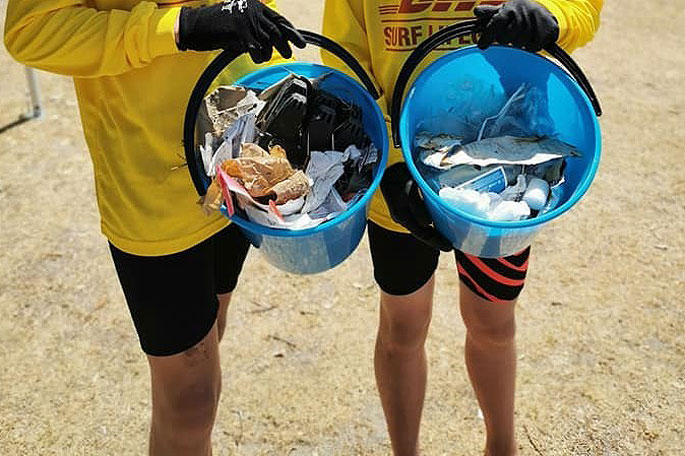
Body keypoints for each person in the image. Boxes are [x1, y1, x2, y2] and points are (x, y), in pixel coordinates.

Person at [4, 1, 304, 454]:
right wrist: (181, 27)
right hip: (149, 182)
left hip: (236, 147)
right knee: (191, 401)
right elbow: (31, 31)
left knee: (209, 336)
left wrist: (270, 63)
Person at [322, 1, 602, 454]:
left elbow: (581, 8)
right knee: (402, 326)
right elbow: (345, 58)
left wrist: (551, 17)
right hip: (401, 167)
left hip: (507, 168)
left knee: (493, 324)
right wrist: (390, 161)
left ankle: (501, 447)